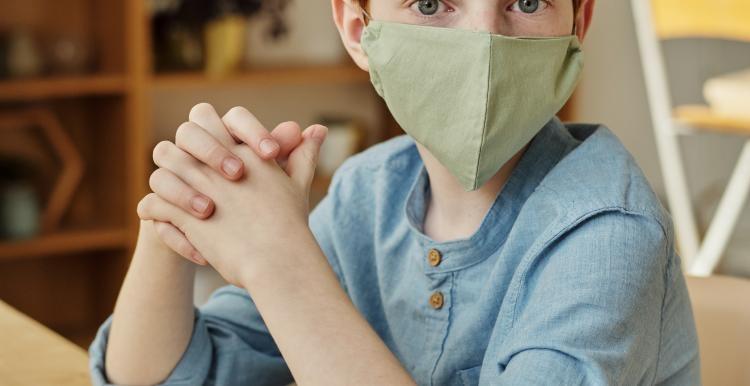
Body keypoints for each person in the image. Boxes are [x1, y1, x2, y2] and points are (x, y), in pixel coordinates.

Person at [89, 0, 701, 385]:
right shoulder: (366, 192)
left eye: (526, 1)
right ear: (360, 29)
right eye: (432, 4)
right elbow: (166, 375)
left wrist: (278, 260)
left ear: (578, 23)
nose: (485, 43)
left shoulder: (608, 232)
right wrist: (178, 214)